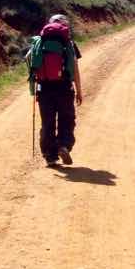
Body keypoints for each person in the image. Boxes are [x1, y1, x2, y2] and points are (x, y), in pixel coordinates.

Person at [28, 14, 83, 166]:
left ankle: (49, 156)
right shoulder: (69, 43)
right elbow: (75, 69)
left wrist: (33, 87)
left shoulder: (39, 41)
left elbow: (30, 63)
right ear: (65, 26)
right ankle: (63, 145)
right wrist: (79, 90)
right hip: (64, 87)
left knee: (47, 122)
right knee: (67, 119)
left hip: (44, 87)